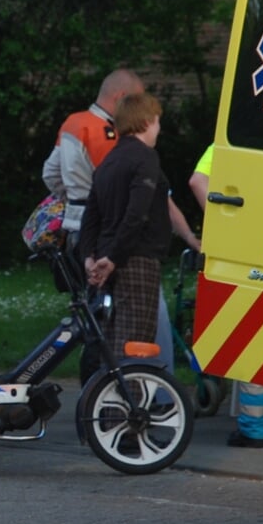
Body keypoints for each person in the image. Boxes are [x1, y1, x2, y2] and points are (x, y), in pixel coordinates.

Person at [42, 69, 197, 371]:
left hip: (83, 236)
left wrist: (73, 197)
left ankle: (97, 394)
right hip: (124, 246)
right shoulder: (117, 144)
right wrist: (188, 236)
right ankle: (152, 392)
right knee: (139, 326)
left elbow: (49, 173)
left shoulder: (74, 124)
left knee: (100, 324)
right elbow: (140, 208)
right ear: (123, 101)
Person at [188, 144, 263, 447]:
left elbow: (197, 181)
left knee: (253, 338)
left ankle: (255, 430)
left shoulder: (234, 141)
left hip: (250, 244)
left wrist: (226, 224)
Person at [80, 90, 180, 357]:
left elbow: (91, 216)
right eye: (158, 121)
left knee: (112, 340)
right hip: (136, 259)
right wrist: (114, 257)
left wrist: (89, 257)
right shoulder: (145, 158)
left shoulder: (108, 162)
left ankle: (106, 395)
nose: (159, 128)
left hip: (106, 259)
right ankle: (129, 396)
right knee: (135, 345)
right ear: (146, 121)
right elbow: (137, 213)